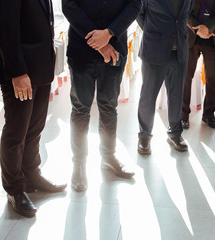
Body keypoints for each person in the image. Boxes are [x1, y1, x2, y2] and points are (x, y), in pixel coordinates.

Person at [0, 0, 67, 217]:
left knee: (35, 127)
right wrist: (17, 72)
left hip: (41, 65)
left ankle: (32, 175)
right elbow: (6, 27)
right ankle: (14, 189)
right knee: (17, 131)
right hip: (20, 69)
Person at [62, 0, 141, 190]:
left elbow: (135, 5)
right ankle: (79, 164)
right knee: (81, 108)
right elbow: (69, 6)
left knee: (109, 106)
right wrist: (99, 43)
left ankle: (108, 157)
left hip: (115, 46)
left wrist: (109, 33)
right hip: (81, 49)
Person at [136, 0, 193, 154]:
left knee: (176, 96)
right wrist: (152, 32)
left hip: (179, 50)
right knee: (148, 96)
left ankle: (175, 134)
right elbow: (138, 13)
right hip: (154, 48)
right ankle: (144, 136)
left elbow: (186, 12)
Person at [181, 0, 215, 129]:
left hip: (214, 36)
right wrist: (198, 28)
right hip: (192, 36)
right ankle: (183, 114)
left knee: (211, 79)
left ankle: (209, 114)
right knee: (186, 77)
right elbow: (183, 8)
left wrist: (208, 27)